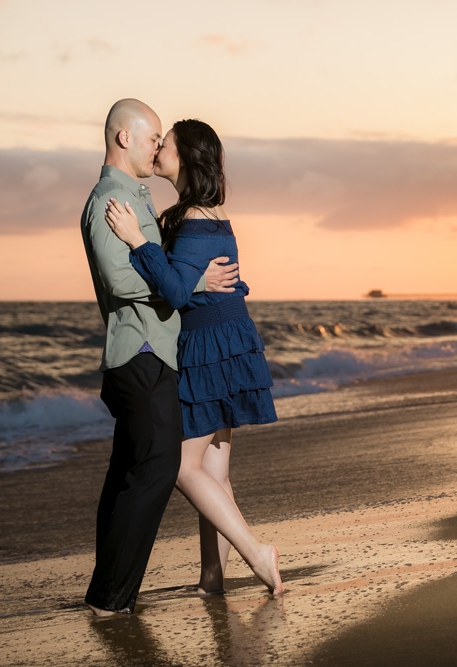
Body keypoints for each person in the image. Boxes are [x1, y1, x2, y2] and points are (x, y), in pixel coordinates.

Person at [104, 118, 283, 597]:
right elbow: (199, 284)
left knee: (183, 467)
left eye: (167, 145)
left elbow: (178, 291)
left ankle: (255, 552)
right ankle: (212, 579)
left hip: (210, 350)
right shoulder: (208, 216)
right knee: (216, 473)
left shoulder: (195, 223)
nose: (158, 149)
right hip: (228, 343)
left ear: (186, 159)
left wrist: (137, 240)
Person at [79, 99, 240, 615]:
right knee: (156, 469)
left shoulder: (140, 198)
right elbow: (121, 280)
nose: (157, 146)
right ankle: (112, 598)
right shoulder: (111, 198)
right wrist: (193, 280)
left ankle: (108, 592)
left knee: (131, 474)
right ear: (125, 138)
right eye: (152, 139)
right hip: (139, 351)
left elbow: (159, 266)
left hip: (156, 352)